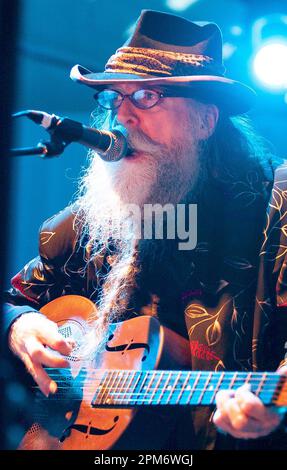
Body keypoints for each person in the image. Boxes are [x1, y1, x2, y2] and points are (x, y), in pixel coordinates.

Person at [4, 9, 287, 450]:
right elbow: (13, 302)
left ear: (205, 121)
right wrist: (19, 327)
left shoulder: (276, 208)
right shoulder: (92, 220)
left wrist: (274, 410)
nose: (123, 117)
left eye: (148, 96)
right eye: (115, 97)